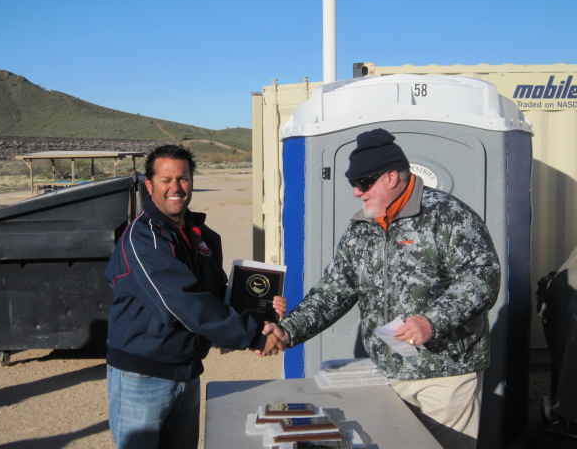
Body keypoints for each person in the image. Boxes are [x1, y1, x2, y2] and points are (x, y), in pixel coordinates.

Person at [260, 128, 501, 449]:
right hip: (388, 370)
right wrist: (288, 331)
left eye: (363, 183)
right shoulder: (362, 227)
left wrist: (431, 321)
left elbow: (482, 279)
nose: (356, 192)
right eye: (353, 183)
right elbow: (335, 290)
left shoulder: (448, 215)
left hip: (445, 372)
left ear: (391, 177)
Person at [105, 143, 286, 449]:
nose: (175, 188)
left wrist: (263, 312)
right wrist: (254, 335)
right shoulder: (142, 238)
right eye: (166, 179)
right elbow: (182, 303)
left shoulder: (199, 235)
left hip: (187, 371)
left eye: (183, 178)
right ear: (150, 185)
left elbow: (215, 295)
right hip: (142, 376)